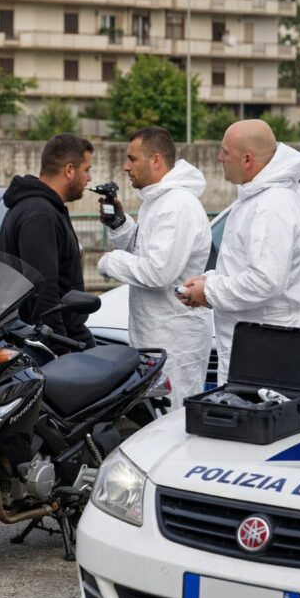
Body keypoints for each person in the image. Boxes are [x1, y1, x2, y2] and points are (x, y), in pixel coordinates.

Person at [179, 119, 300, 383]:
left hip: (266, 347)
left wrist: (209, 291)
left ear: (247, 159)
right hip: (259, 342)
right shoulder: (259, 199)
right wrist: (210, 282)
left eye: (225, 151)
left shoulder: (271, 206)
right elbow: (246, 268)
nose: (220, 158)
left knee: (259, 420)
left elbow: (264, 281)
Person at [96, 127, 213, 407]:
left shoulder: (177, 205)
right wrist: (120, 224)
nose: (125, 166)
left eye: (132, 158)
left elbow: (158, 272)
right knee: (154, 420)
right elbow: (146, 250)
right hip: (158, 335)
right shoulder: (159, 202)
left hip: (174, 341)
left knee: (171, 421)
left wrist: (110, 261)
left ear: (156, 160)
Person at [0, 134, 95, 352]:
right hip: (49, 344)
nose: (89, 178)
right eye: (87, 169)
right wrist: (60, 351)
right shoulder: (40, 215)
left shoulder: (41, 208)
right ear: (69, 170)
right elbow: (45, 292)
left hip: (61, 336)